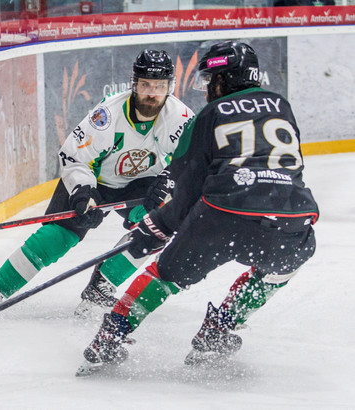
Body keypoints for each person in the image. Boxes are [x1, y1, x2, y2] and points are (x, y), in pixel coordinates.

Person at [77, 40, 319, 375]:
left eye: (211, 81)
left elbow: (188, 186)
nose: (207, 90)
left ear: (225, 79)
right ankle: (220, 327)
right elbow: (291, 170)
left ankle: (110, 334)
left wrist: (156, 227)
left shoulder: (210, 114)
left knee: (164, 275)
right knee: (284, 266)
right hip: (290, 217)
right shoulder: (281, 105)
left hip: (223, 215)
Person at [0, 50, 194, 318]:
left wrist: (167, 184)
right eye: (145, 85)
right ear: (134, 84)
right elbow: (73, 157)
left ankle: (102, 286)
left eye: (160, 87)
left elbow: (190, 160)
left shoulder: (180, 117)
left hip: (142, 184)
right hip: (95, 180)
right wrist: (83, 192)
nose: (152, 93)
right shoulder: (108, 115)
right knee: (55, 238)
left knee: (156, 228)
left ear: (169, 87)